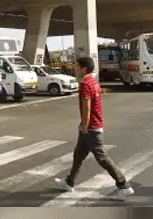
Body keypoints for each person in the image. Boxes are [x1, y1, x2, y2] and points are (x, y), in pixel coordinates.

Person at [55, 56, 131, 194]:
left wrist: (84, 126)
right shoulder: (93, 82)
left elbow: (87, 107)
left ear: (83, 69)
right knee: (78, 155)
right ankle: (69, 182)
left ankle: (123, 184)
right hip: (91, 126)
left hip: (91, 128)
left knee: (102, 158)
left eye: (77, 66)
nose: (75, 69)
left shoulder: (85, 84)